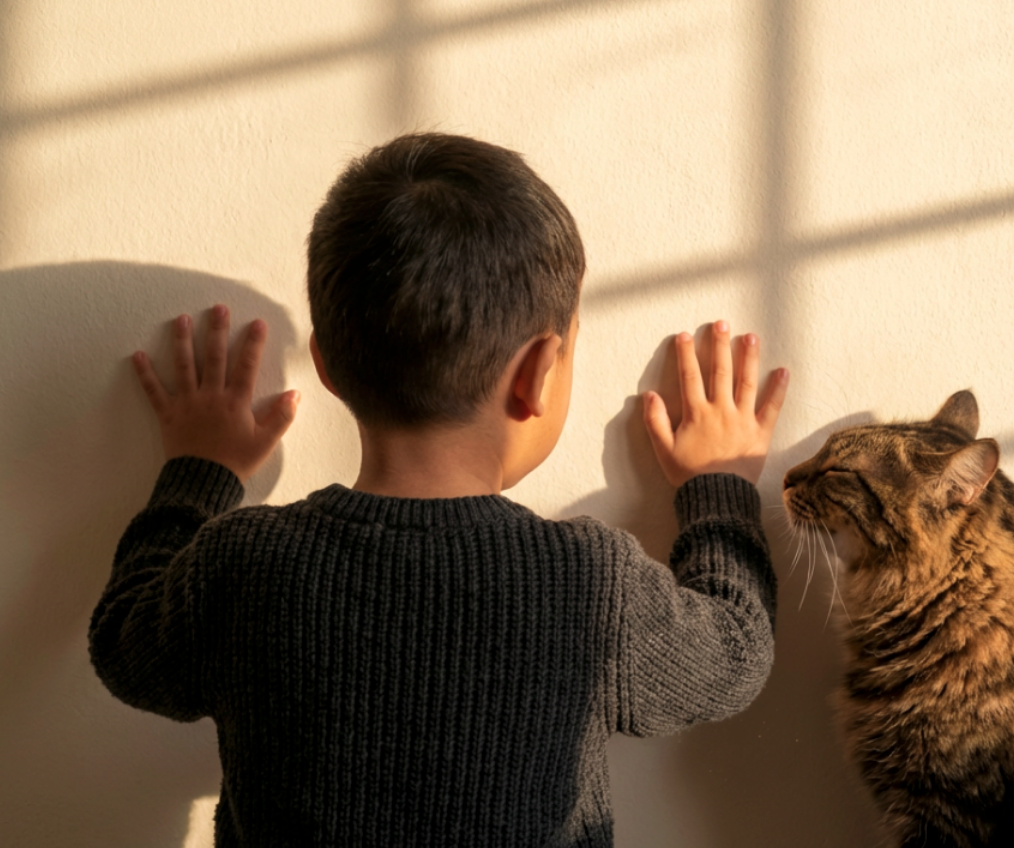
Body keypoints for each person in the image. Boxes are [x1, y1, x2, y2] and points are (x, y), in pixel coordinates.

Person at [89, 133, 789, 847]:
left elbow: (121, 642)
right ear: (538, 373)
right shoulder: (590, 586)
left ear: (326, 367)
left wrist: (200, 470)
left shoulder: (240, 565)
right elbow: (734, 655)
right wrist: (715, 488)